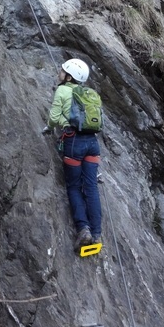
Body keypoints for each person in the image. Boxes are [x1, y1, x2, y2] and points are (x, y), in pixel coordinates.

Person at [45, 58, 102, 253]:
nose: (59, 73)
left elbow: (53, 119)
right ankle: (97, 234)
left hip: (74, 143)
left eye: (62, 71)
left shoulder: (62, 90)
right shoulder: (87, 93)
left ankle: (83, 229)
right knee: (92, 187)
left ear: (69, 76)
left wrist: (56, 125)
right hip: (93, 144)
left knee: (74, 187)